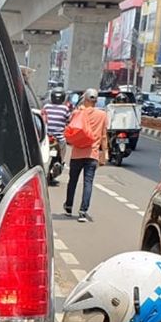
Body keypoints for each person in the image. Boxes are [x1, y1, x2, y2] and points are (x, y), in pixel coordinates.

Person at [64, 88, 108, 222]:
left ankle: (69, 206)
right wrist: (104, 153)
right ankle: (83, 211)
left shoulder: (77, 113)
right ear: (96, 100)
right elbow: (104, 136)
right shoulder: (102, 115)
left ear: (85, 98)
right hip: (92, 154)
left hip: (77, 153)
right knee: (88, 182)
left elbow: (70, 129)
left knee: (72, 181)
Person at [41, 89, 72, 185]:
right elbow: (69, 120)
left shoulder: (46, 107)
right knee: (62, 156)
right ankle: (61, 162)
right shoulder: (65, 109)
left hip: (47, 137)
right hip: (59, 139)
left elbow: (42, 119)